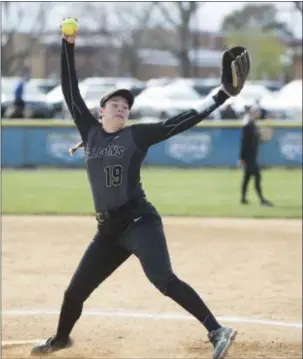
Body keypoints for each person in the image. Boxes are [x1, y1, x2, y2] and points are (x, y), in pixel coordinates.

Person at [31, 19, 250, 359]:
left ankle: (217, 330)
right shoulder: (89, 131)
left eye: (126, 105)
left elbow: (181, 120)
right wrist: (67, 45)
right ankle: (60, 339)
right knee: (74, 293)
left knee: (162, 279)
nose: (122, 106)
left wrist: (220, 94)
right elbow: (69, 90)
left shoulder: (137, 135)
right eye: (115, 103)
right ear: (100, 111)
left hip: (139, 221)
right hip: (107, 232)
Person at [239, 104, 273, 206]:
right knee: (257, 177)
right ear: (250, 114)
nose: (257, 114)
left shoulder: (253, 125)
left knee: (247, 178)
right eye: (254, 112)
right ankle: (262, 200)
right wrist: (241, 158)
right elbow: (244, 143)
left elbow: (256, 141)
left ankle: (243, 199)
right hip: (249, 157)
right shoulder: (248, 126)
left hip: (252, 156)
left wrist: (263, 138)